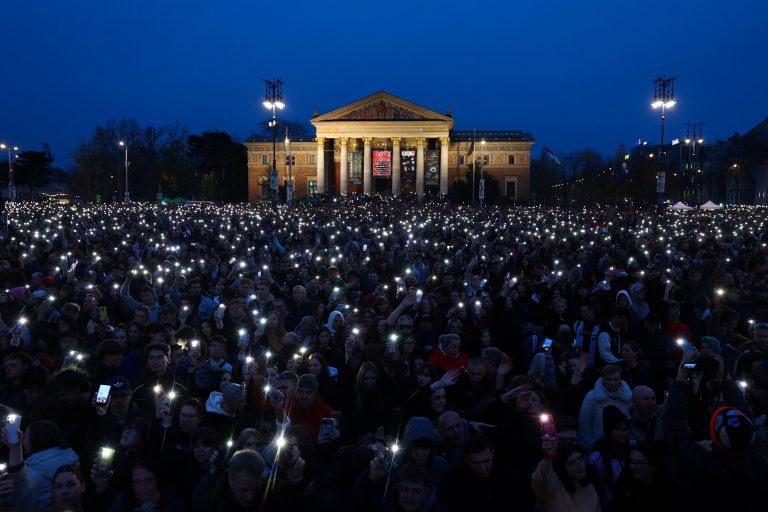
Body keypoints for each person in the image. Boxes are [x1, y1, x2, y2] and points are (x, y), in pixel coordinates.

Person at [663, 351, 768, 512]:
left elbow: (674, 424)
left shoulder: (700, 462)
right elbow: (747, 415)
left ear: (715, 436)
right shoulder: (759, 460)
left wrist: (681, 377)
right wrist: (726, 380)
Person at [532, 436, 600, 512]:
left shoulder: (590, 488)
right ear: (562, 468)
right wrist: (548, 458)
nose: (580, 465)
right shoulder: (554, 488)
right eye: (572, 462)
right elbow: (540, 482)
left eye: (579, 459)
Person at [578, 365, 632, 451]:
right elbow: (585, 423)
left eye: (615, 379)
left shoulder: (628, 397)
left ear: (620, 380)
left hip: (623, 444)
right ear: (603, 379)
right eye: (609, 379)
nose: (612, 382)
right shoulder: (592, 397)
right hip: (598, 444)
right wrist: (588, 445)